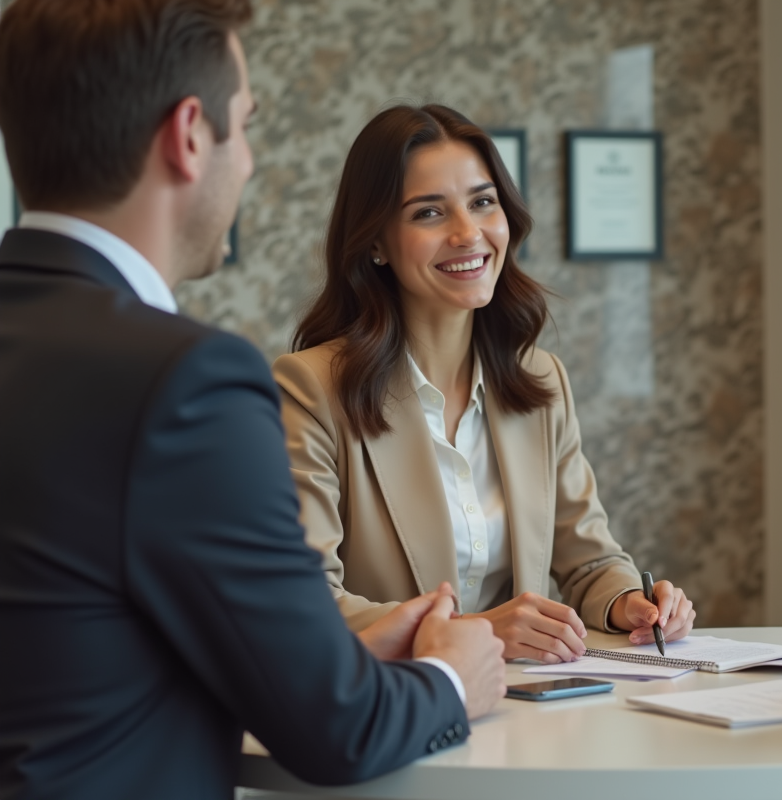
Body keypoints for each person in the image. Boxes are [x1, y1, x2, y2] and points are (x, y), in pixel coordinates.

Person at [0, 3, 507, 799]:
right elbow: (335, 731)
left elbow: (80, 632)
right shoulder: (184, 382)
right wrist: (450, 677)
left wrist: (341, 649)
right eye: (246, 126)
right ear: (190, 135)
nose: (251, 161)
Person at [273, 104, 696, 664]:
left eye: (482, 202)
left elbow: (589, 561)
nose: (468, 233)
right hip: (398, 710)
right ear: (375, 243)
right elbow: (305, 600)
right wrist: (476, 631)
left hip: (527, 713)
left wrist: (631, 602)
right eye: (428, 213)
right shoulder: (311, 390)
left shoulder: (539, 380)